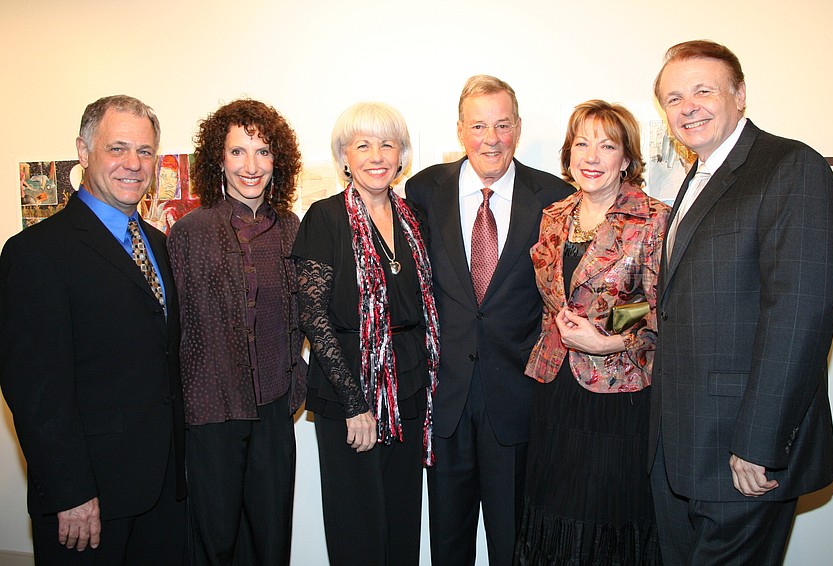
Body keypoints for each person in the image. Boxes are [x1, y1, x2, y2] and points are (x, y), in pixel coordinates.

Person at [649, 40, 833, 565]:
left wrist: (760, 442)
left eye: (703, 90)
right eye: (673, 97)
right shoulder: (694, 177)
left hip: (741, 451)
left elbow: (800, 316)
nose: (688, 106)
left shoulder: (790, 166)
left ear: (739, 96)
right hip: (680, 447)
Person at [0, 95, 186, 564]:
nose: (133, 164)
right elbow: (34, 389)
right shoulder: (36, 253)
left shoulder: (161, 245)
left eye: (145, 152)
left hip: (162, 491)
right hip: (89, 502)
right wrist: (70, 492)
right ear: (83, 152)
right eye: (117, 148)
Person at [405, 75, 570, 565]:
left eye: (502, 125)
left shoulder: (553, 197)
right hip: (447, 401)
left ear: (518, 128)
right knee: (448, 545)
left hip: (517, 402)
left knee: (514, 545)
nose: (491, 139)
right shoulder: (424, 190)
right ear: (460, 130)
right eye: (478, 126)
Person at [516, 100, 669, 565]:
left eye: (607, 145)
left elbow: (658, 305)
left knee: (606, 517)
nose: (592, 156)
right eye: (582, 143)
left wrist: (607, 337)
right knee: (553, 511)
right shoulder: (555, 215)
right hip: (555, 386)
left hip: (617, 392)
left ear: (626, 158)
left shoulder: (654, 219)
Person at [292, 102, 439, 566]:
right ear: (344, 157)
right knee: (358, 528)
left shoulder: (415, 217)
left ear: (402, 155)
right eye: (363, 145)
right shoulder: (325, 217)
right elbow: (312, 314)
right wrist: (356, 405)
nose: (377, 155)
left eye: (387, 144)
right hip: (348, 389)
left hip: (410, 384)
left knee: (401, 524)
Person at [167, 99, 306, 565]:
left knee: (270, 542)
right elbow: (174, 327)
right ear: (218, 160)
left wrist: (295, 381)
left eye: (263, 152)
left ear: (277, 162)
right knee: (213, 543)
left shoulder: (291, 229)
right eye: (237, 152)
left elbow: (305, 314)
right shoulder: (188, 232)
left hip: (273, 407)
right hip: (211, 410)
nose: (251, 166)